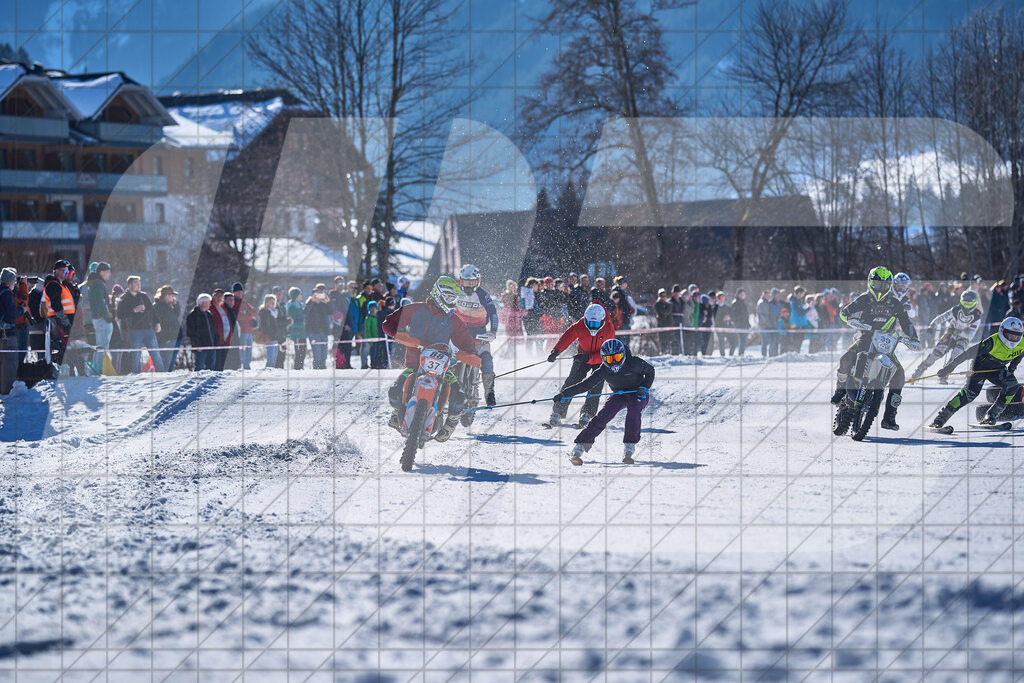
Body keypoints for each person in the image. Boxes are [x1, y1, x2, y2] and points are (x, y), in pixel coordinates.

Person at [380, 276, 480, 442]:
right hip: (415, 365)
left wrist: (470, 355)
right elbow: (388, 324)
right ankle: (398, 413)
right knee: (394, 392)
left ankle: (450, 424)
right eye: (449, 297)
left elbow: (467, 343)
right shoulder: (414, 309)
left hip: (442, 368)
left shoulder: (453, 320)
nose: (452, 302)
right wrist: (404, 337)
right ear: (439, 294)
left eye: (454, 299)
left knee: (459, 395)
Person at [830, 267, 920, 431]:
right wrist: (851, 320)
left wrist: (914, 338)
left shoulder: (895, 303)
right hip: (865, 339)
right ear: (871, 283)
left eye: (884, 285)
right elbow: (845, 312)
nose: (880, 288)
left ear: (890, 286)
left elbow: (906, 323)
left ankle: (889, 417)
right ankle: (840, 389)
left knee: (899, 375)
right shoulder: (865, 298)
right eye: (877, 284)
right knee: (845, 359)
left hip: (886, 344)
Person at [556, 337, 655, 466]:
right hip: (618, 394)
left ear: (623, 355)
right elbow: (586, 385)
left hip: (638, 393)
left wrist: (645, 387)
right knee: (602, 416)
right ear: (604, 359)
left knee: (634, 412)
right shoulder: (604, 370)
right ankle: (579, 448)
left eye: (617, 357)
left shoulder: (634, 363)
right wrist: (564, 394)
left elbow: (650, 371)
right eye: (609, 359)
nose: (614, 362)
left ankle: (629, 448)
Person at [930, 317, 1024, 428]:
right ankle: (941, 418)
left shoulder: (1022, 343)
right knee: (970, 394)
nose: (1014, 338)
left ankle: (991, 415)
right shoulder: (992, 342)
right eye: (1010, 335)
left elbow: (1018, 356)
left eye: (1017, 335)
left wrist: (1011, 370)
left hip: (997, 370)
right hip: (979, 369)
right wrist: (949, 367)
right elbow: (968, 353)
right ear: (1002, 331)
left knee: (1012, 385)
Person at [545, 302, 615, 428]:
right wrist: (556, 351)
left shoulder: (608, 328)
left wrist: (591, 357)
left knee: (595, 386)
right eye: (591, 323)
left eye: (596, 324)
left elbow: (610, 351)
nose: (593, 326)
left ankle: (587, 412)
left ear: (602, 321)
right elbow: (567, 337)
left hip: (600, 359)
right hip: (582, 356)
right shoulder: (581, 325)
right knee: (572, 382)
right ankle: (558, 411)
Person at [910, 290, 982, 382]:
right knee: (936, 354)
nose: (966, 306)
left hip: (963, 338)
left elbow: (971, 333)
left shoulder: (977, 316)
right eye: (965, 303)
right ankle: (918, 371)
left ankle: (944, 374)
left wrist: (958, 332)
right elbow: (943, 317)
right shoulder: (956, 310)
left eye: (969, 304)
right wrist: (933, 325)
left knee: (956, 354)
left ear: (974, 303)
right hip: (950, 334)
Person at [454, 264, 499, 405]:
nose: (467, 286)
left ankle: (489, 392)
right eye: (464, 282)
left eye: (471, 283)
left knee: (486, 360)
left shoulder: (483, 295)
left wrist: (493, 332)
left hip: (478, 333)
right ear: (460, 281)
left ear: (477, 281)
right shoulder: (455, 292)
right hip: (459, 332)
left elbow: (493, 314)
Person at [117, 276, 165, 373]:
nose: (139, 285)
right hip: (134, 331)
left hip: (148, 329)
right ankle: (136, 375)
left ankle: (162, 373)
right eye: (136, 283)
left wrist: (157, 323)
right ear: (130, 285)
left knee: (155, 353)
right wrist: (134, 310)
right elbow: (120, 315)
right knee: (136, 355)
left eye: (139, 283)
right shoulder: (124, 298)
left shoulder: (144, 296)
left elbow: (152, 311)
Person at [41, 260, 77, 364]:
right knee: (61, 349)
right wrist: (65, 323)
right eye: (64, 271)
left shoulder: (61, 285)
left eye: (67, 272)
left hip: (61, 321)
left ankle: (67, 369)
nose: (66, 274)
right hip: (58, 322)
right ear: (56, 271)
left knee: (66, 348)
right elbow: (56, 306)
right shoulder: (54, 285)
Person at [86, 262, 114, 373]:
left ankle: (98, 368)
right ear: (101, 272)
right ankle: (102, 369)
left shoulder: (94, 283)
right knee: (103, 346)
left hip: (97, 319)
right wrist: (107, 317)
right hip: (102, 319)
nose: (110, 274)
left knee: (100, 345)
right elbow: (100, 303)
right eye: (108, 272)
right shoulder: (98, 284)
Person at [153, 285, 182, 371]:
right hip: (166, 340)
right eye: (172, 295)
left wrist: (176, 306)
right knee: (166, 364)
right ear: (166, 296)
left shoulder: (168, 305)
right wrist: (165, 338)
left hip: (173, 338)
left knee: (170, 363)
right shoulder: (157, 307)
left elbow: (175, 316)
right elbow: (157, 323)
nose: (173, 297)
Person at [230, 282, 258, 370]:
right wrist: (247, 315)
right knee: (241, 349)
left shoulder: (244, 302)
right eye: (237, 292)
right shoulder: (233, 302)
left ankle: (247, 367)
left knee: (249, 350)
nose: (240, 293)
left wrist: (247, 313)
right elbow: (238, 317)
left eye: (241, 292)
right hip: (241, 331)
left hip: (249, 330)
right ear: (234, 292)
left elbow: (255, 313)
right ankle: (240, 366)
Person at [1, 267, 20, 395]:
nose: (15, 283)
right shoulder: (7, 294)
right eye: (14, 280)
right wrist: (21, 310)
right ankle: (7, 390)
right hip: (7, 332)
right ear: (8, 282)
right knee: (10, 362)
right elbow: (12, 313)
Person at [186, 294, 217, 371]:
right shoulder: (193, 315)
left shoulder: (209, 314)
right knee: (199, 367)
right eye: (208, 302)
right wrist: (197, 345)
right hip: (201, 347)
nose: (210, 304)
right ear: (202, 303)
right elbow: (191, 333)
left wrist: (215, 343)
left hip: (211, 345)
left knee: (211, 367)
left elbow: (213, 330)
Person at [304, 284, 332, 369]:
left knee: (324, 354)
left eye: (320, 293)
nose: (318, 296)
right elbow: (305, 314)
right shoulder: (309, 303)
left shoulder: (323, 304)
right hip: (313, 332)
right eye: (316, 294)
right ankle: (316, 370)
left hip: (324, 331)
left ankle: (323, 369)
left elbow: (332, 311)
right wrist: (312, 301)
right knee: (317, 354)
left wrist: (328, 301)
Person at [258, 294, 283, 368]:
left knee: (274, 359)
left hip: (275, 337)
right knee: (270, 359)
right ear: (266, 302)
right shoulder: (264, 312)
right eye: (270, 302)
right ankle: (267, 372)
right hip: (269, 337)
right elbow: (263, 326)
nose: (272, 304)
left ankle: (272, 373)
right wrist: (269, 333)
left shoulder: (274, 312)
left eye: (273, 302)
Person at [363, 300, 389, 369]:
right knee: (373, 352)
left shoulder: (378, 316)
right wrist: (369, 339)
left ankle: (378, 363)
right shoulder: (368, 317)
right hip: (373, 338)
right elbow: (367, 330)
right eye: (371, 307)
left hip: (379, 337)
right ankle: (373, 364)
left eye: (374, 307)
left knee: (379, 351)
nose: (372, 309)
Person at [286, 287, 308, 370]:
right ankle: (297, 368)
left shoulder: (299, 305)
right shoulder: (292, 306)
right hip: (297, 333)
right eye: (300, 294)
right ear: (295, 295)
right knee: (299, 352)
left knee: (303, 352)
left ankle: (300, 368)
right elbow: (293, 321)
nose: (301, 295)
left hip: (302, 332)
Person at [654, 289, 674, 355]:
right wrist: (668, 306)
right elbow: (664, 313)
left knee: (669, 341)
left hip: (668, 325)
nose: (664, 297)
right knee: (663, 342)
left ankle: (669, 353)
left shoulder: (668, 304)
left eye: (665, 296)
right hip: (661, 325)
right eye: (662, 296)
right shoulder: (657, 304)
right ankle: (663, 353)